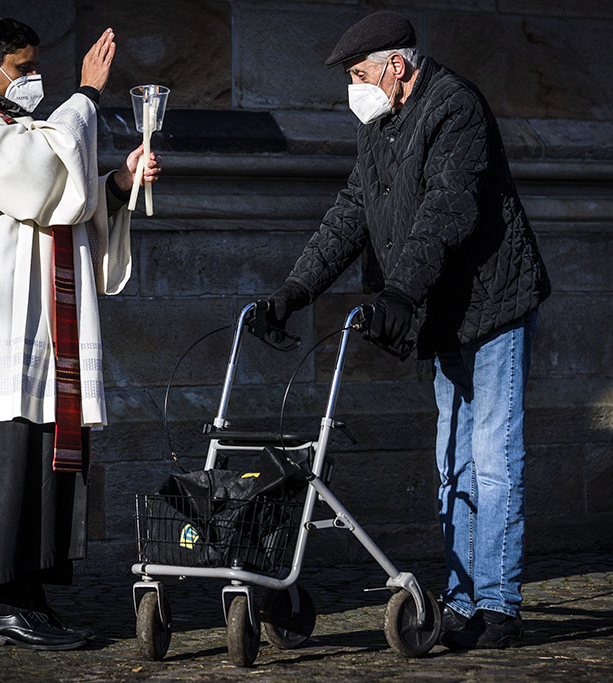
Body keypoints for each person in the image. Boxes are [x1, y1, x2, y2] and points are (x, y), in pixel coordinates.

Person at [262, 11, 550, 649]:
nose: (353, 88)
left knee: (492, 459)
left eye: (359, 74)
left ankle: (497, 605)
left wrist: (399, 290)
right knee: (453, 460)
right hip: (445, 310)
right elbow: (352, 212)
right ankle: (458, 597)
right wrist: (297, 288)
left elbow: (447, 208)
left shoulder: (455, 107)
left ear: (397, 67)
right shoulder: (382, 122)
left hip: (493, 302)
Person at [0, 17, 160, 650]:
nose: (32, 79)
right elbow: (36, 180)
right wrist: (88, 97)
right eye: (23, 67)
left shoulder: (9, 127)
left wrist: (118, 186)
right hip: (3, 330)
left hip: (42, 326)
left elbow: (60, 199)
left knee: (44, 457)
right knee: (8, 461)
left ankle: (31, 599)